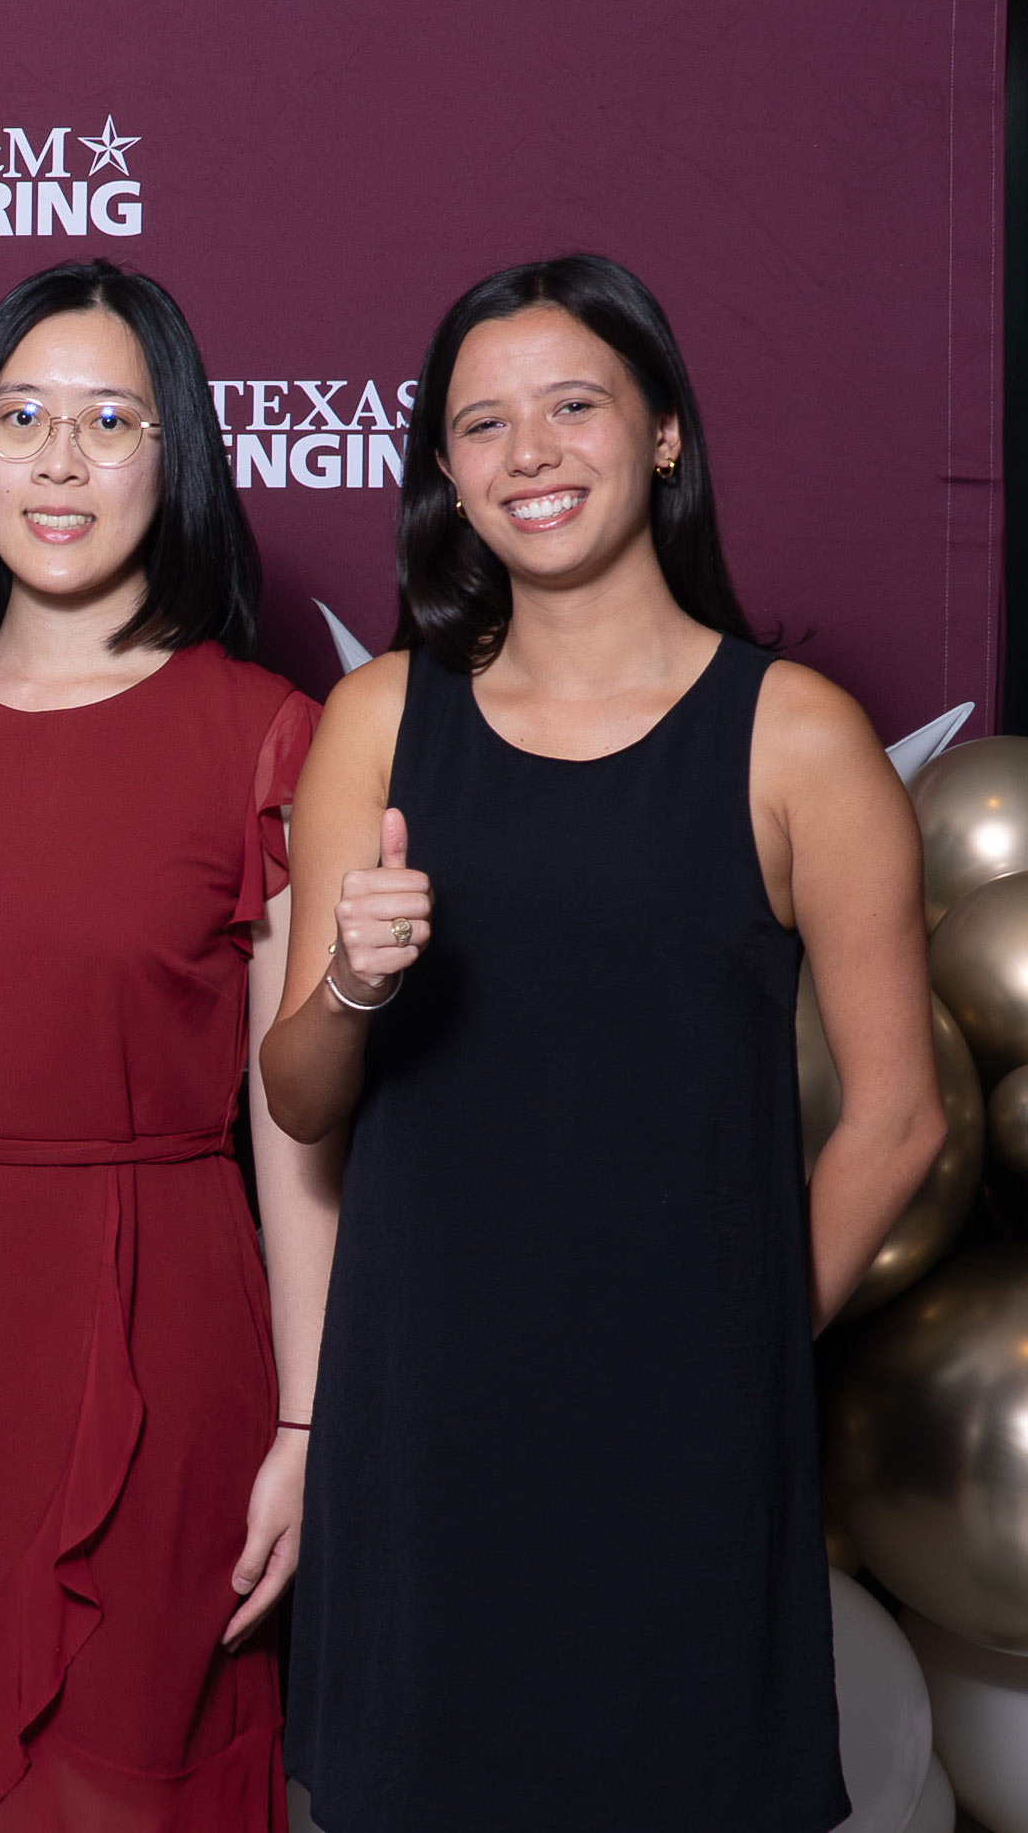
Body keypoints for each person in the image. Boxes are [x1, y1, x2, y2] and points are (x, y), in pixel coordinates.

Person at [266, 255, 945, 1832]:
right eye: (483, 425)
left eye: (573, 407)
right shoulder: (378, 719)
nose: (530, 456)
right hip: (424, 1416)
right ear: (444, 471)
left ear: (660, 436)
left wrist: (745, 1347)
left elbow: (900, 1116)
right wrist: (356, 988)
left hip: (684, 1432)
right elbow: (298, 1100)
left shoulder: (797, 734)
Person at [0, 262, 319, 1830]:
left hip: (174, 1313)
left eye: (110, 420)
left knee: (124, 1779)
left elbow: (299, 1123)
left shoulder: (269, 733)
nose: (62, 463)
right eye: (21, 416)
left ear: (180, 456)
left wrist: (307, 1424)